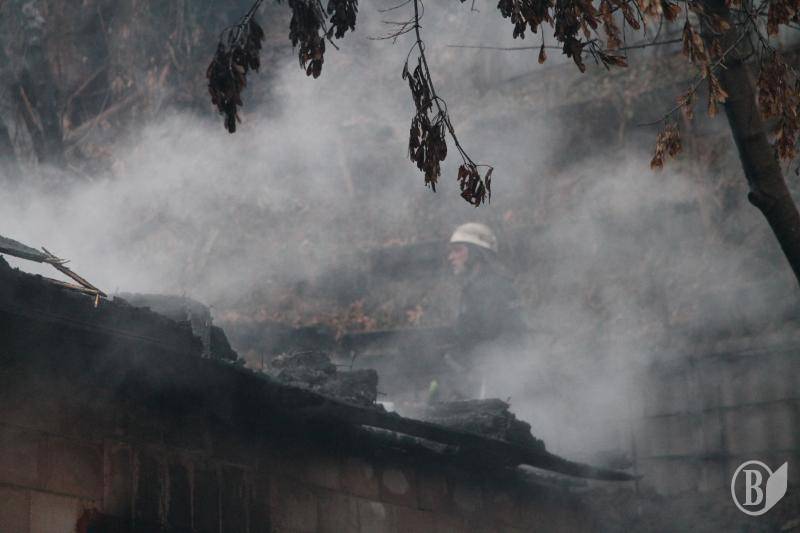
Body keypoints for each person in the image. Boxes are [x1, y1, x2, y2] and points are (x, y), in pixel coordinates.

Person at [429, 222, 526, 401]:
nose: (451, 257)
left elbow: (495, 336)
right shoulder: (477, 287)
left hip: (492, 380)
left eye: (457, 250)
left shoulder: (491, 288)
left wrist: (477, 369)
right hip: (482, 376)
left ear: (476, 253)